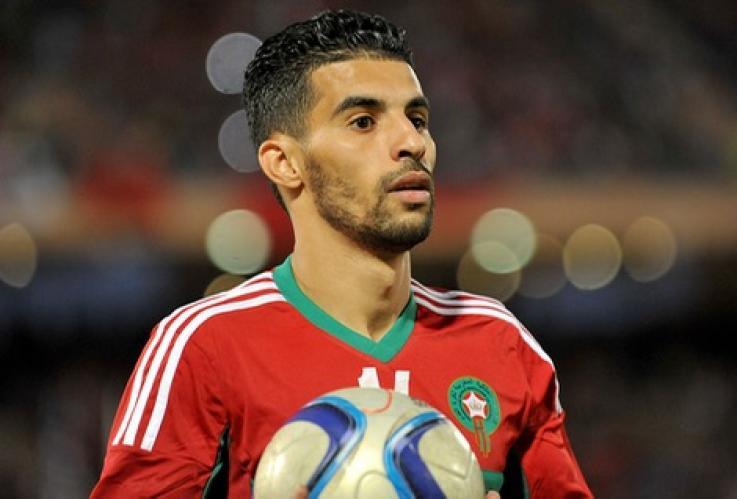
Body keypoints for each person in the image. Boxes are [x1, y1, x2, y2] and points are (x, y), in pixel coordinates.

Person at [91, 9, 592, 498]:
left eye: (417, 118)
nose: (412, 142)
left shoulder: (502, 343)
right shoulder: (203, 346)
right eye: (363, 121)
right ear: (284, 163)